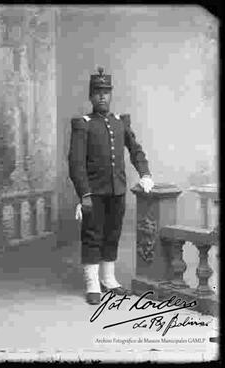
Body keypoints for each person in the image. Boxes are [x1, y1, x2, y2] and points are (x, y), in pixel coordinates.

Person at [68, 67, 154, 305]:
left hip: (117, 190)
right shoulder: (83, 124)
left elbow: (135, 150)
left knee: (112, 233)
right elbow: (76, 164)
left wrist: (145, 173)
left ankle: (109, 279)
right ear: (91, 96)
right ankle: (93, 284)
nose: (102, 96)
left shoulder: (120, 122)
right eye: (97, 92)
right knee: (92, 235)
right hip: (93, 193)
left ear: (111, 94)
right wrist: (84, 193)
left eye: (106, 92)